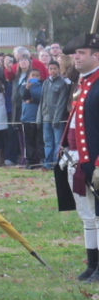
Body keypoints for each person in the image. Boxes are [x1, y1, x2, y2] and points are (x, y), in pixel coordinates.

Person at [53, 33, 99, 282]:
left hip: (93, 162)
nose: (75, 57)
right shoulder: (84, 82)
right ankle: (92, 264)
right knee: (88, 216)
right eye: (74, 53)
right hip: (77, 160)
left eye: (80, 53)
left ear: (96, 55)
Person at [38, 60, 69, 169]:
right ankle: (47, 163)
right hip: (46, 118)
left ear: (59, 69)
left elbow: (61, 103)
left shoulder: (62, 83)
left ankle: (56, 163)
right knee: (48, 142)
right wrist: (39, 117)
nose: (52, 71)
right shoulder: (46, 82)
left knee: (57, 142)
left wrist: (57, 118)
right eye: (50, 69)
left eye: (55, 68)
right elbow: (42, 102)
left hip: (57, 120)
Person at [20, 69, 43, 168]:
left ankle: (41, 160)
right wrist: (27, 88)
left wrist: (32, 99)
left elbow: (41, 98)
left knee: (39, 141)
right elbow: (24, 97)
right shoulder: (23, 86)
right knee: (29, 142)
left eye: (37, 75)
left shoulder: (42, 86)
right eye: (32, 75)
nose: (34, 77)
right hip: (28, 117)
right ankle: (30, 161)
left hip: (38, 117)